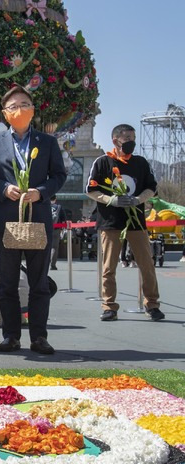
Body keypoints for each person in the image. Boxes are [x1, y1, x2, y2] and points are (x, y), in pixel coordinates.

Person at [0, 84, 66, 354]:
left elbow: (59, 176)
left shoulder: (47, 142)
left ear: (33, 110)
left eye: (25, 105)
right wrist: (4, 189)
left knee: (39, 281)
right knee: (7, 282)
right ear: (5, 114)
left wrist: (40, 193)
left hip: (38, 218)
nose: (20, 110)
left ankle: (39, 337)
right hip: (6, 218)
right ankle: (11, 336)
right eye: (14, 107)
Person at [86, 123, 164, 322]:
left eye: (133, 138)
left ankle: (152, 304)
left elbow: (151, 188)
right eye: (127, 139)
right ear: (115, 140)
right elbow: (91, 190)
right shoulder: (103, 162)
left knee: (147, 264)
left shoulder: (141, 163)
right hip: (111, 223)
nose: (132, 143)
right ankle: (109, 306)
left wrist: (138, 200)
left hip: (136, 221)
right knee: (108, 268)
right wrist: (110, 200)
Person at [49, 195, 67, 270]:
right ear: (55, 199)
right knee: (54, 247)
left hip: (45, 228)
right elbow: (64, 219)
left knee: (44, 247)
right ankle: (53, 265)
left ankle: (44, 264)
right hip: (56, 229)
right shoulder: (59, 207)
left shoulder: (44, 206)